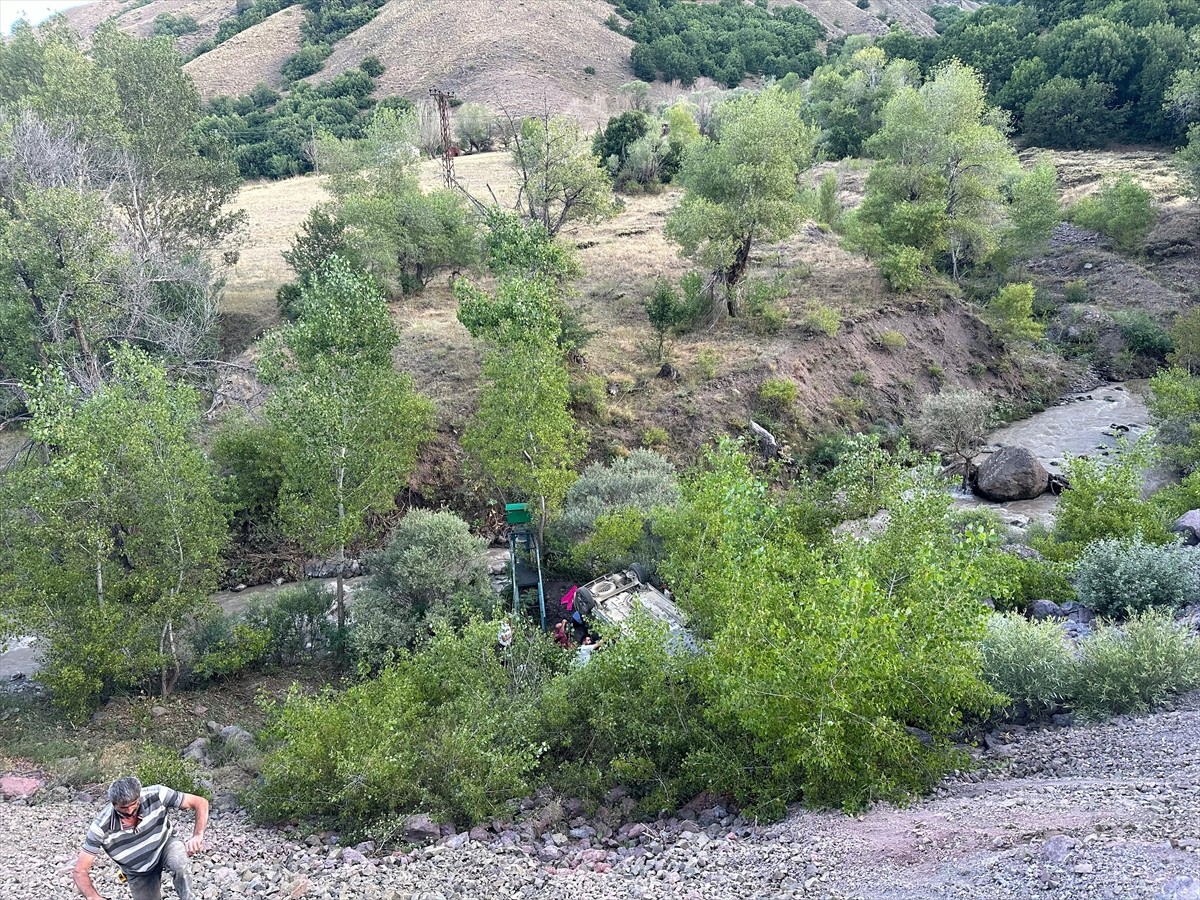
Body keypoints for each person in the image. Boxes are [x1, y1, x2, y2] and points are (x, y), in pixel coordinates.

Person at [73, 776, 209, 900]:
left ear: (139, 796)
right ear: (113, 804)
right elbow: (80, 870)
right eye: (123, 808)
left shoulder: (157, 794)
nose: (130, 811)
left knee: (179, 863)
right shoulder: (100, 827)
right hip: (137, 870)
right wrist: (94, 897)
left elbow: (200, 802)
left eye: (134, 805)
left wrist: (197, 836)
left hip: (165, 845)